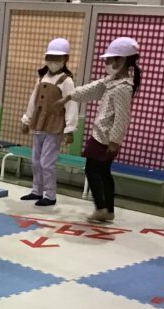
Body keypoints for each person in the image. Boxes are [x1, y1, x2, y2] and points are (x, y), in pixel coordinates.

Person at [58, 36, 141, 223]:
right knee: (103, 172)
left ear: (121, 61)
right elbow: (92, 89)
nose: (106, 63)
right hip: (102, 135)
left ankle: (102, 208)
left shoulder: (122, 88)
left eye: (109, 60)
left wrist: (115, 141)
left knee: (92, 170)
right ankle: (107, 210)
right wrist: (70, 96)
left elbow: (122, 116)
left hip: (104, 137)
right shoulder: (111, 81)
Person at [20, 38, 77, 207]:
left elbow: (71, 105)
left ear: (65, 59)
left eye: (57, 58)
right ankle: (36, 190)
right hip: (39, 123)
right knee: (36, 160)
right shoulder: (42, 77)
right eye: (50, 57)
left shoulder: (66, 81)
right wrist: (26, 119)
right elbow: (33, 100)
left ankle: (50, 195)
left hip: (54, 125)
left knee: (47, 162)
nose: (52, 61)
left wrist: (70, 129)